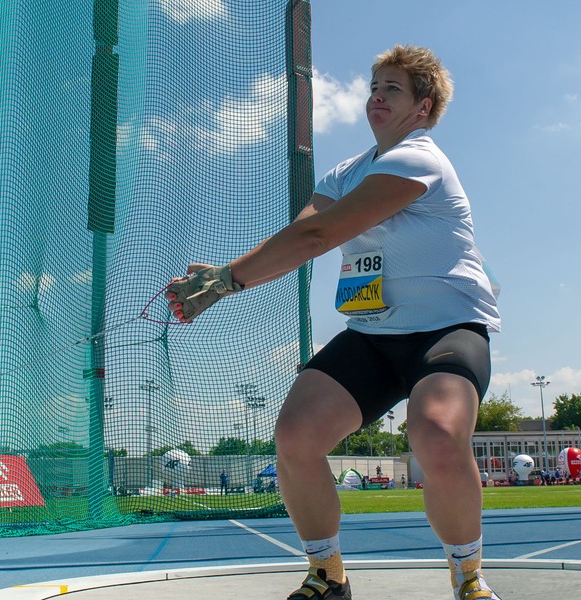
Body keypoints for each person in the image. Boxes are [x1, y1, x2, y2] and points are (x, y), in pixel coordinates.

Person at [166, 45, 501, 600]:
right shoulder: (345, 173)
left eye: (392, 87)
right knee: (296, 435)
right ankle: (328, 575)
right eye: (374, 85)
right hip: (372, 337)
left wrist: (225, 282)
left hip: (445, 332)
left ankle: (469, 579)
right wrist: (226, 274)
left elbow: (320, 237)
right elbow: (302, 237)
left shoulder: (421, 159)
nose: (376, 95)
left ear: (424, 106)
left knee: (437, 434)